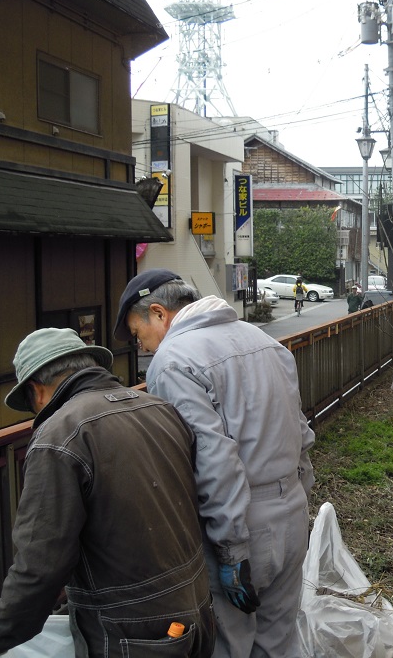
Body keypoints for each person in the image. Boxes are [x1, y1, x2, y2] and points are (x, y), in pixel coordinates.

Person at [0, 328, 214, 658]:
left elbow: (39, 566)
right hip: (195, 608)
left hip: (131, 633)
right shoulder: (158, 408)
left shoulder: (59, 435)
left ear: (37, 391)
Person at [114, 270, 316, 658]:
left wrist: (231, 550)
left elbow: (213, 458)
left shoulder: (174, 361)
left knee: (229, 645)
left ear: (159, 313)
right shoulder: (264, 342)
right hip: (291, 511)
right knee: (277, 643)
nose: (146, 349)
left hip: (240, 526)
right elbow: (301, 432)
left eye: (140, 336)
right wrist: (296, 499)